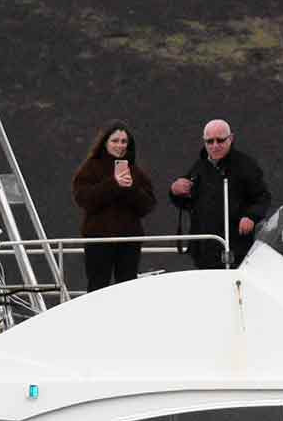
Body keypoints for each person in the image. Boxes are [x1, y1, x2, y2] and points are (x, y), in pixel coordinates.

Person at [169, 118, 272, 270]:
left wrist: (251, 216)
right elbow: (187, 203)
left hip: (235, 246)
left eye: (220, 140)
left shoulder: (245, 165)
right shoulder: (199, 167)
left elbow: (263, 197)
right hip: (204, 247)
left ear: (231, 139)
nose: (215, 146)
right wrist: (175, 191)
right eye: (209, 141)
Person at [71, 122, 158, 294]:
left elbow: (148, 205)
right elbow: (84, 199)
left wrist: (131, 188)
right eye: (115, 141)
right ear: (105, 142)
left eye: (124, 141)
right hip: (99, 239)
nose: (120, 145)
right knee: (97, 287)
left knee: (127, 288)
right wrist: (113, 184)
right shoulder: (90, 169)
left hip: (129, 240)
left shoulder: (136, 172)